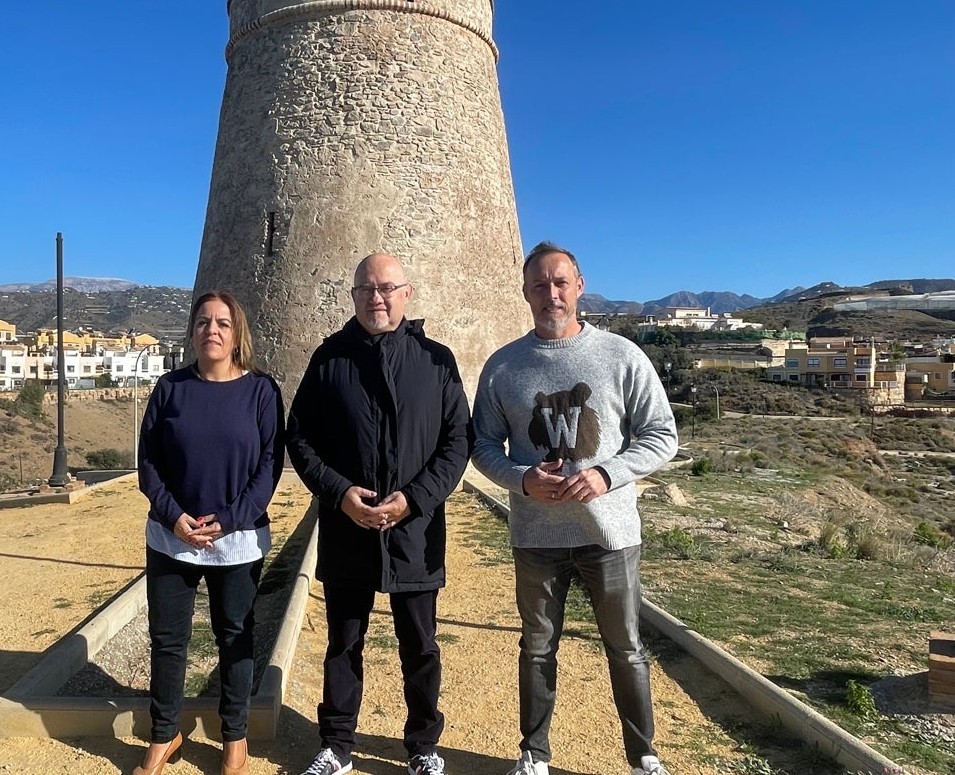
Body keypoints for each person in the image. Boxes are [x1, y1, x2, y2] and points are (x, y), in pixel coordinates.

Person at [471, 242, 679, 775]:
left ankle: (644, 757)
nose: (551, 294)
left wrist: (607, 474)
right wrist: (522, 480)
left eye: (560, 282)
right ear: (525, 292)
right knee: (538, 648)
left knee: (625, 648)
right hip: (537, 536)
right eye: (539, 284)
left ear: (579, 286)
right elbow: (483, 446)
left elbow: (661, 435)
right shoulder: (502, 367)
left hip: (608, 534)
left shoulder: (621, 355)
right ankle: (534, 754)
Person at [287, 253, 471, 775]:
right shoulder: (328, 360)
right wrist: (340, 493)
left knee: (420, 643)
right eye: (367, 289)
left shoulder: (437, 360)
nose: (377, 298)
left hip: (415, 530)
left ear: (407, 293)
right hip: (349, 528)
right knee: (343, 642)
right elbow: (300, 438)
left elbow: (457, 442)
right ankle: (337, 745)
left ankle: (424, 747)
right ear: (353, 296)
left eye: (387, 288)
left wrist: (415, 498)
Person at [134, 290, 285, 775]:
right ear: (192, 331)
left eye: (222, 323)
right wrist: (173, 515)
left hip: (236, 539)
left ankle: (234, 736)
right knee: (168, 639)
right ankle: (164, 734)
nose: (212, 331)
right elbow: (149, 463)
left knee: (235, 636)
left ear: (237, 332)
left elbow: (268, 466)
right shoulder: (169, 388)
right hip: (171, 536)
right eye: (203, 322)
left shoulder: (262, 391)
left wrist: (234, 517)